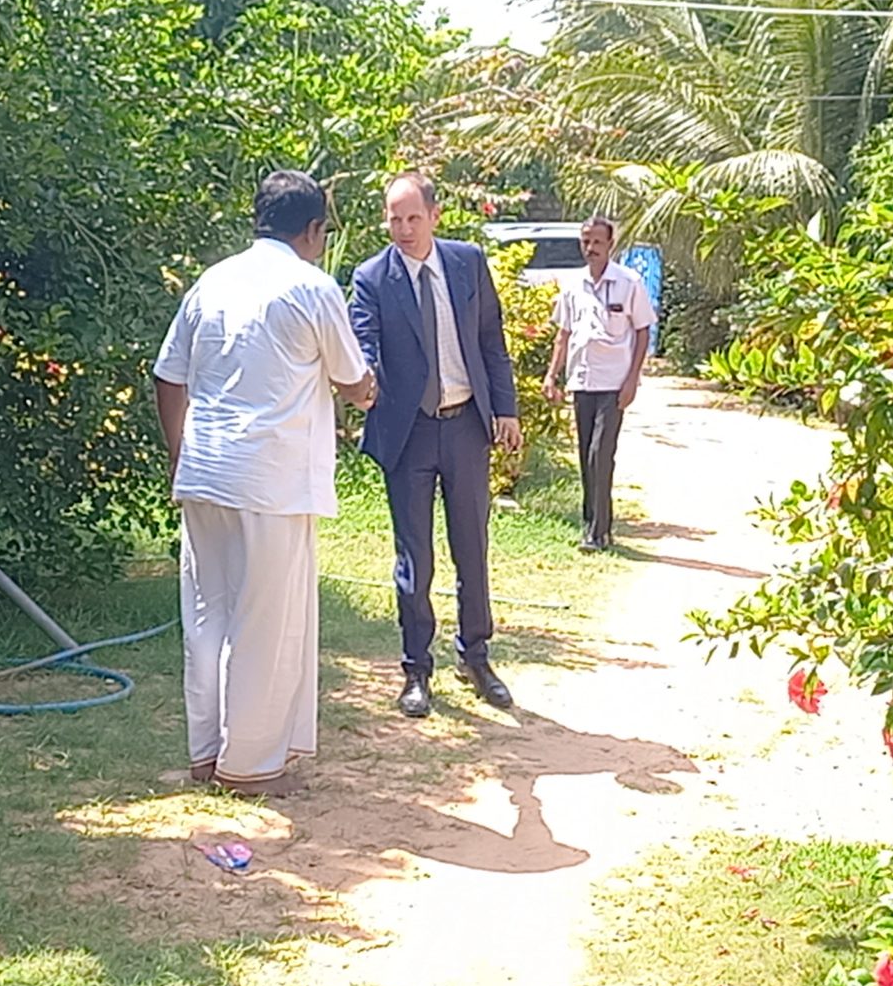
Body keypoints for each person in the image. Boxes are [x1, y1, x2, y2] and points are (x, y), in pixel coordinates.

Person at [153, 170, 376, 794]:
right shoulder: (312, 286)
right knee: (264, 622)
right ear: (313, 231)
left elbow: (168, 375)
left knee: (207, 615)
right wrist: (368, 390)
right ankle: (248, 766)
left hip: (205, 469)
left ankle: (206, 754)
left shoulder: (213, 281)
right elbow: (353, 381)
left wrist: (179, 453)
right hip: (270, 479)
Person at [349, 171, 521, 718]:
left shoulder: (467, 263)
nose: (403, 229)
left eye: (412, 218)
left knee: (471, 546)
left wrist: (506, 409)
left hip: (466, 424)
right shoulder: (372, 278)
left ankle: (476, 656)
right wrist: (363, 380)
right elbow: (363, 341)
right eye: (394, 219)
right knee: (414, 558)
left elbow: (492, 341)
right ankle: (416, 669)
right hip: (410, 433)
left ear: (434, 216)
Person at [544, 215, 655, 551]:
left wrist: (632, 380)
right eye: (586, 241)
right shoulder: (572, 284)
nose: (590, 248)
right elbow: (563, 333)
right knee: (585, 456)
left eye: (597, 242)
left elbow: (643, 330)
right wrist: (552, 375)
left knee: (600, 454)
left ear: (610, 245)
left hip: (613, 383)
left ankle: (599, 531)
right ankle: (591, 524)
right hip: (582, 380)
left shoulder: (628, 282)